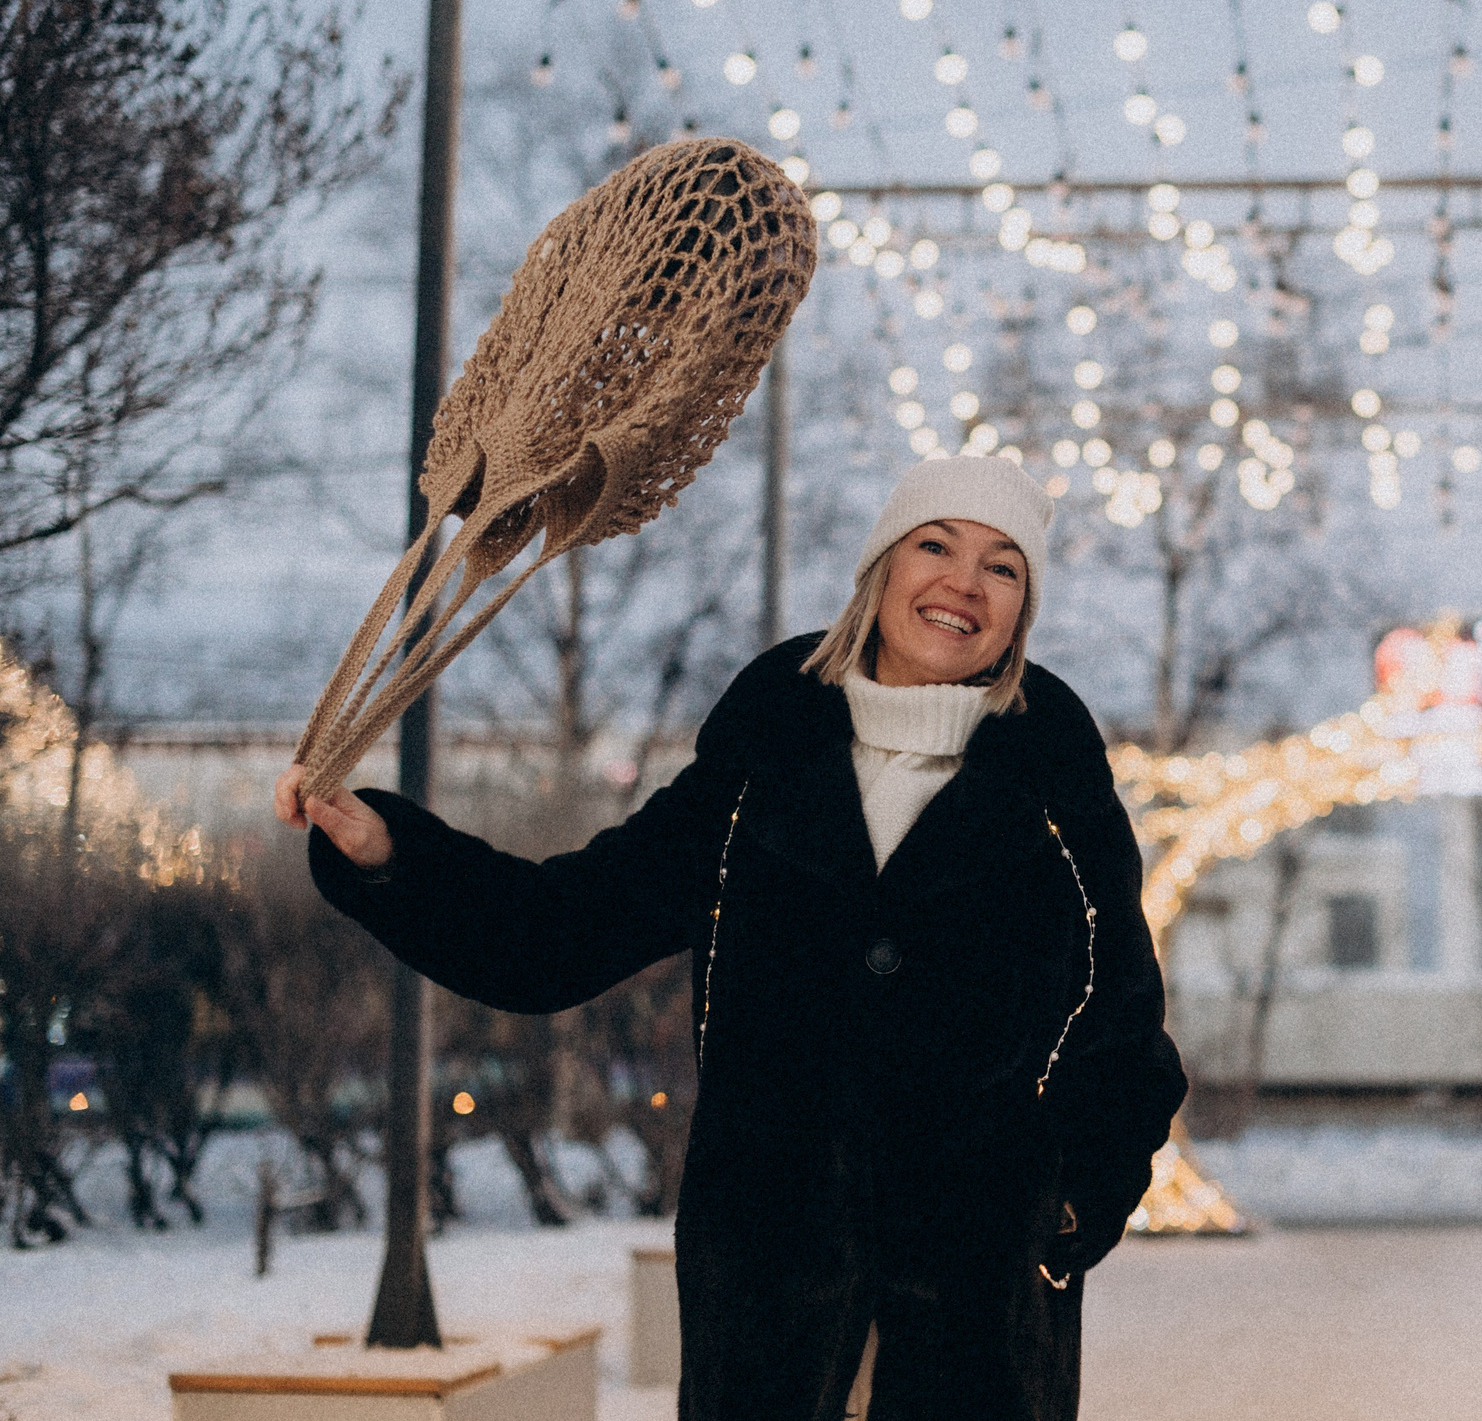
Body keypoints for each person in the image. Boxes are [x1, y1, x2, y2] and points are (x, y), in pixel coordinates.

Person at [277, 455, 1188, 1421]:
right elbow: (563, 930)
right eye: (937, 543)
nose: (963, 582)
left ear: (1022, 607)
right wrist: (387, 852)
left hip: (977, 1315)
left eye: (1004, 566)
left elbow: (1126, 1041)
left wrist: (1058, 1222)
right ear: (882, 565)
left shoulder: (1056, 788)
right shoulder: (766, 757)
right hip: (768, 1292)